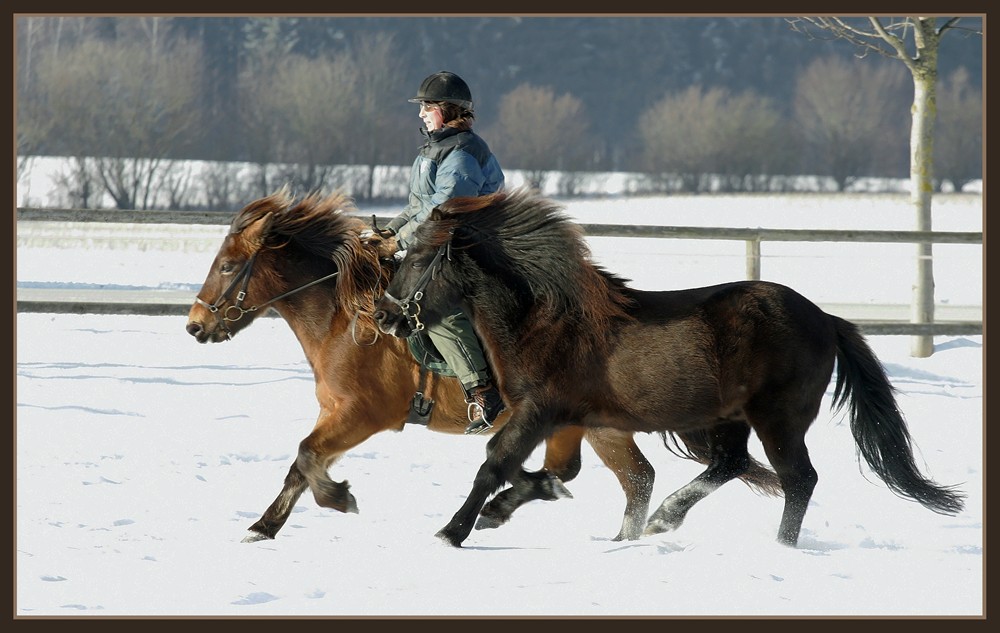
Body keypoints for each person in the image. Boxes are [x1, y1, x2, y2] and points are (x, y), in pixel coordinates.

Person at [367, 71, 506, 435]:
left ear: (447, 109)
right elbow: (418, 206)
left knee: (436, 309)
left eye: (427, 106)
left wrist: (398, 243)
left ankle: (482, 391)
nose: (421, 114)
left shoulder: (461, 155)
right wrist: (388, 233)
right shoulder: (436, 148)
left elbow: (443, 212)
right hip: (439, 246)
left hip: (467, 248)